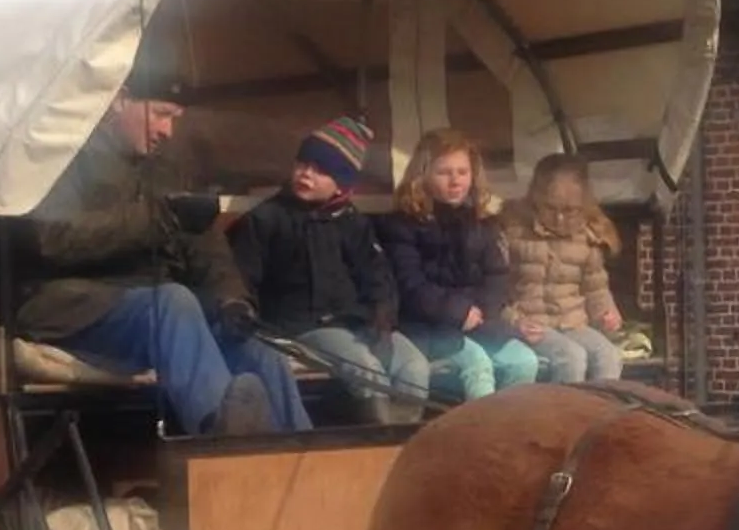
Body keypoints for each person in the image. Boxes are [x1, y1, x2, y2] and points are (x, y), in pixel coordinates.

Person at [10, 76, 309, 437]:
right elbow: (53, 239)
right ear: (120, 100)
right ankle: (218, 436)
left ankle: (304, 462)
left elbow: (207, 248)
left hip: (154, 314)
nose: (168, 130)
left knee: (260, 352)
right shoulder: (64, 158)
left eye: (176, 119)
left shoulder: (166, 171)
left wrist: (232, 300)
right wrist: (157, 218)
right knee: (173, 301)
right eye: (162, 114)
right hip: (73, 304)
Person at [231, 119, 430, 426]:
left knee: (414, 365)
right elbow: (242, 278)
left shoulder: (353, 223)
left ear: (342, 184)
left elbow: (379, 275)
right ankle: (375, 443)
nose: (306, 174)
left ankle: (402, 444)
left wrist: (382, 313)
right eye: (303, 164)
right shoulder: (267, 219)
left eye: (321, 170)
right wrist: (247, 317)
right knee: (365, 367)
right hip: (300, 325)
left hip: (358, 322)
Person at [377, 127, 538, 401]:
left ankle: (510, 434)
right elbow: (409, 284)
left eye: (462, 172)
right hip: (424, 327)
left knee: (523, 361)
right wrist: (457, 311)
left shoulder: (483, 223)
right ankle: (477, 438)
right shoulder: (402, 225)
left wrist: (480, 310)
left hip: (478, 323)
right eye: (444, 172)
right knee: (477, 365)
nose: (455, 181)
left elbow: (497, 277)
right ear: (423, 175)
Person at [501, 151, 628, 385]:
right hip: (531, 323)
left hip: (572, 321)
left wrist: (606, 314)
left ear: (583, 204)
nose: (559, 218)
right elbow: (497, 289)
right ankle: (564, 418)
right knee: (571, 357)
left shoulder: (587, 237)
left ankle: (600, 414)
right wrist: (514, 320)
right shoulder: (514, 232)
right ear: (536, 199)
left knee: (608, 355)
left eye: (569, 211)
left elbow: (596, 288)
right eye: (550, 208)